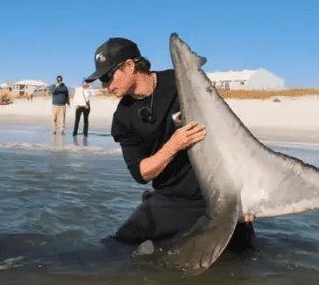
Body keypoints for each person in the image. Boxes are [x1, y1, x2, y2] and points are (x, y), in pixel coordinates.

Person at [84, 37, 255, 250]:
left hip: (216, 193)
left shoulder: (181, 83)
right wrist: (173, 145)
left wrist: (245, 196)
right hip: (172, 198)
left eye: (108, 76)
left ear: (129, 66)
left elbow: (228, 134)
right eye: (101, 80)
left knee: (242, 256)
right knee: (116, 247)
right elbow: (141, 173)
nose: (106, 86)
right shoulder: (123, 119)